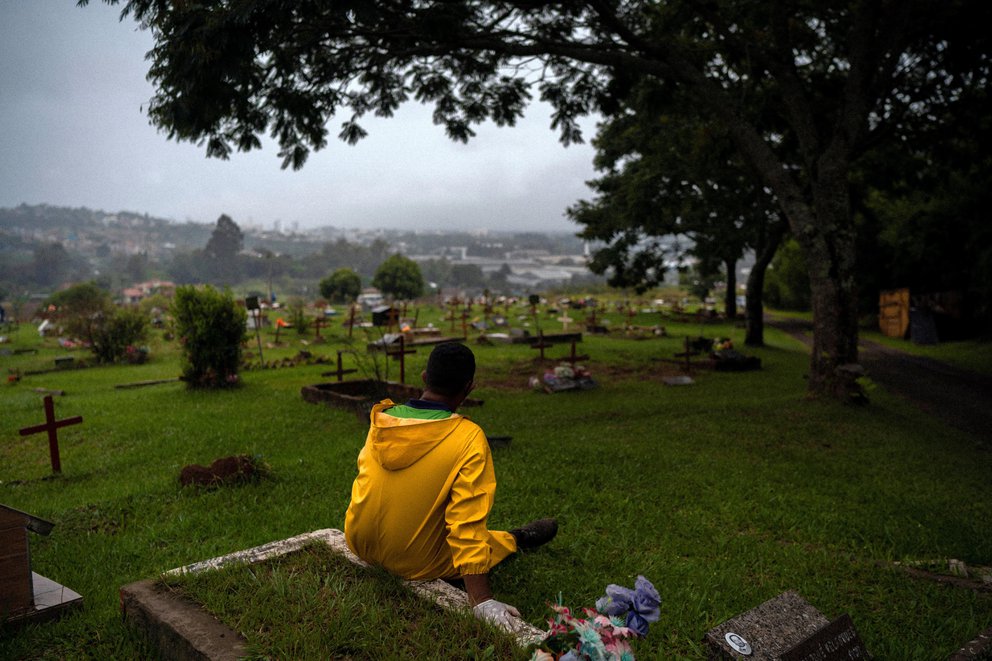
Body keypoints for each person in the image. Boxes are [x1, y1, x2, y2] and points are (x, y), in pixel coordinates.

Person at [344, 342, 557, 629]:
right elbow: (466, 523)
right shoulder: (468, 437)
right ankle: (519, 538)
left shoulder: (382, 419)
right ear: (469, 387)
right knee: (489, 543)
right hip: (413, 562)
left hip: (358, 541)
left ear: (424, 377)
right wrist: (482, 601)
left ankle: (515, 537)